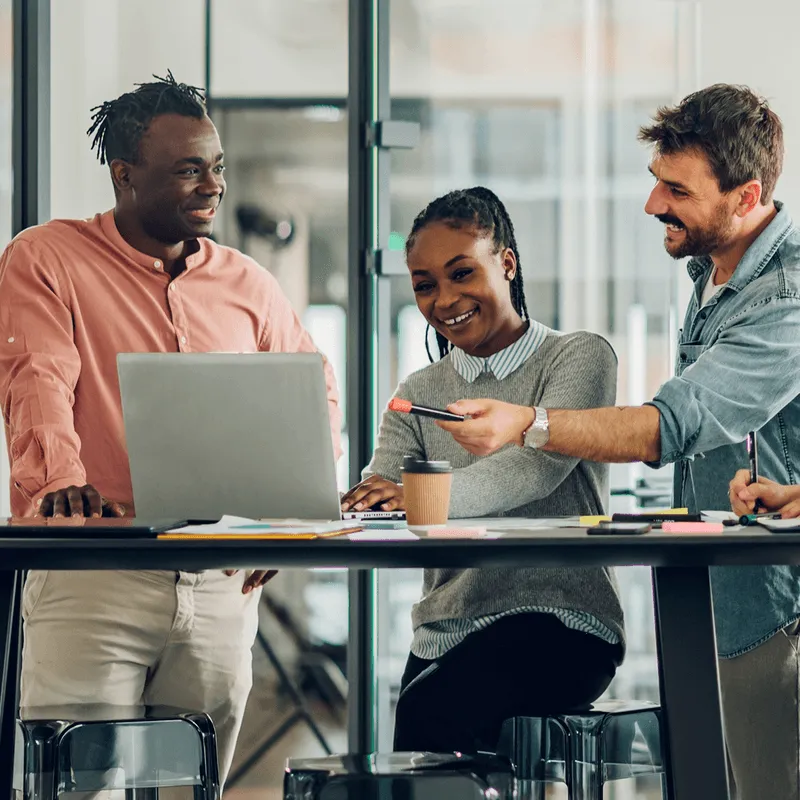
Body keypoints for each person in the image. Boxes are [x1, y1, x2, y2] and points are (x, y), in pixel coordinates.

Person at [433, 85, 800, 799]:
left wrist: (526, 422)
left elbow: (672, 424)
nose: (652, 205)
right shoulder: (716, 272)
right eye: (654, 182)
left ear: (746, 195)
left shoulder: (785, 298)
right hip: (718, 604)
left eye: (676, 190)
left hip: (776, 615)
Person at [0, 72, 342, 782]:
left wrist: (289, 511)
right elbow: (38, 377)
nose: (212, 185)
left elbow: (311, 393)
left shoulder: (250, 284)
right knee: (77, 784)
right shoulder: (47, 258)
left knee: (196, 782)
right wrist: (60, 480)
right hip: (95, 575)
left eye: (215, 167)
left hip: (220, 584)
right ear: (125, 175)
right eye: (188, 169)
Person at [341, 187, 625, 753]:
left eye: (461, 273)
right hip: (444, 631)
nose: (444, 299)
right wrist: (370, 501)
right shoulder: (418, 392)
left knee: (432, 713)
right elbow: (384, 496)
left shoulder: (579, 358)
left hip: (561, 619)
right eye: (425, 285)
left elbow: (532, 472)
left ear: (508, 263)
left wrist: (412, 495)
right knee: (415, 758)